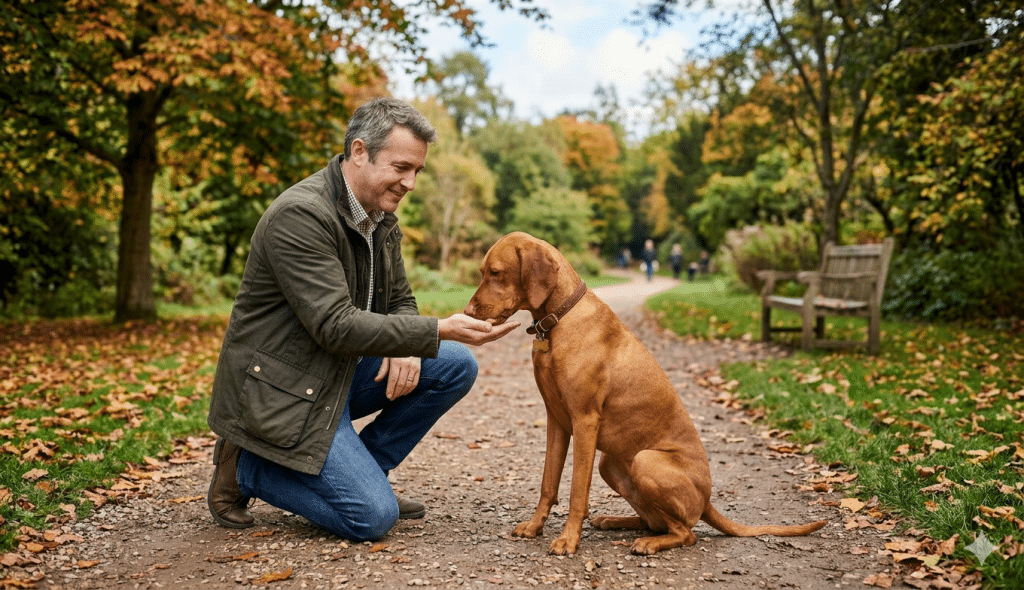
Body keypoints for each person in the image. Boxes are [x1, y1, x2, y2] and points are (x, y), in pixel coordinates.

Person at [206, 97, 520, 543]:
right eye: (401, 167)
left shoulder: (379, 217)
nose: (410, 182)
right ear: (359, 152)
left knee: (454, 364)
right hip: (282, 391)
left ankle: (366, 472)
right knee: (372, 518)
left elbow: (400, 300)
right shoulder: (302, 215)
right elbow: (335, 326)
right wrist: (434, 330)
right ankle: (247, 468)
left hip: (333, 377)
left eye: (417, 171)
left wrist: (410, 344)